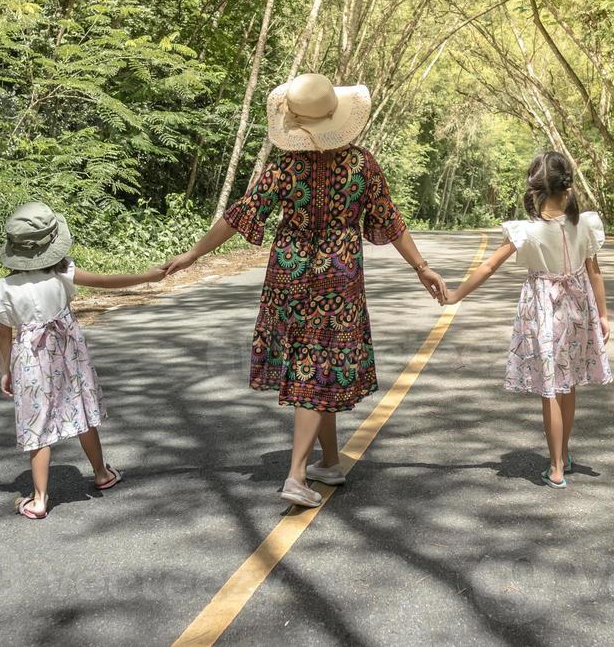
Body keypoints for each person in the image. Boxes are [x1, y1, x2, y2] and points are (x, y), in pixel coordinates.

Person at [165, 73, 447, 507]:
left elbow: (240, 215)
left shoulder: (283, 166)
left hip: (290, 278)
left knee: (313, 367)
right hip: (339, 280)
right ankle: (298, 474)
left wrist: (193, 254)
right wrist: (421, 267)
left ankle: (329, 462)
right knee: (318, 367)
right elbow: (390, 221)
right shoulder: (361, 165)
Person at [0, 201, 166, 519]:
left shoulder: (6, 288)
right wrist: (147, 276)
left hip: (30, 361)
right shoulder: (63, 273)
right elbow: (108, 281)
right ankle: (101, 473)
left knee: (36, 424)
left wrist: (5, 370)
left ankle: (39, 499)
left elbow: (4, 336)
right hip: (68, 355)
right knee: (80, 410)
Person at [443, 151, 611, 488]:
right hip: (578, 309)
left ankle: (557, 468)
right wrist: (604, 316)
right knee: (569, 383)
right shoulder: (584, 224)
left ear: (534, 189)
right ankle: (562, 454)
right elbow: (594, 274)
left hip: (543, 310)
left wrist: (455, 295)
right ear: (569, 186)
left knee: (550, 387)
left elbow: (489, 267)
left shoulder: (526, 231)